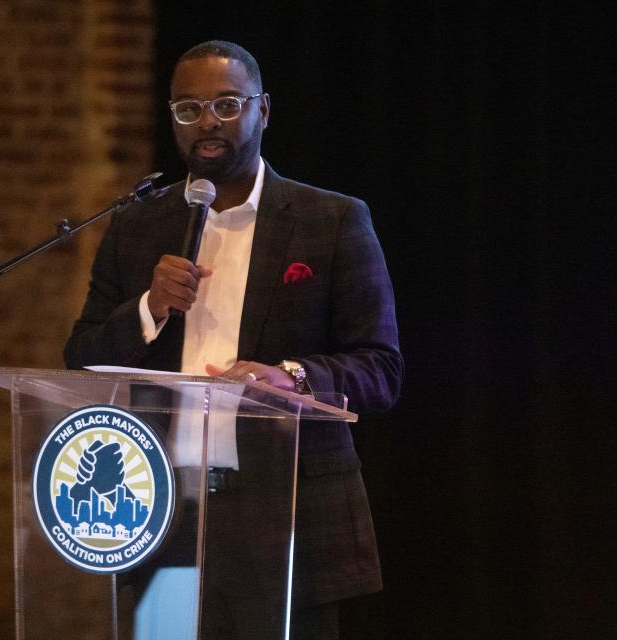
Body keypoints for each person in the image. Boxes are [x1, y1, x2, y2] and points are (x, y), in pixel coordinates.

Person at [65, 40, 402, 640]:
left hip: (286, 511)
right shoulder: (137, 225)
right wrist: (149, 307)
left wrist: (291, 378)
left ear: (263, 110)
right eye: (188, 109)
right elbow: (83, 356)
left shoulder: (333, 221)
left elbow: (380, 369)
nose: (209, 123)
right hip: (162, 509)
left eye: (226, 103)